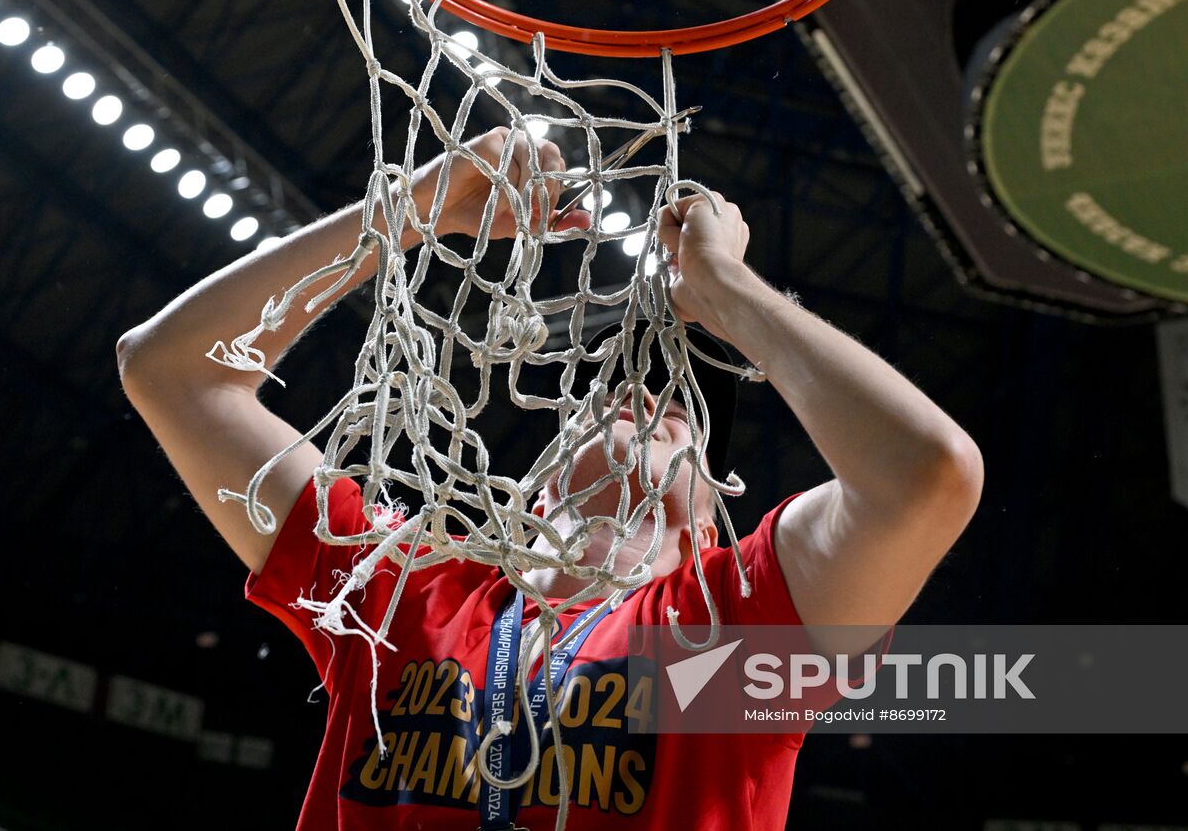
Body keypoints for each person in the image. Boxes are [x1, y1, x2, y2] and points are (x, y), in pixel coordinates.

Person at [117, 127, 983, 830]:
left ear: (715, 521)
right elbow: (171, 369)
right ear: (537, 491)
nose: (643, 394)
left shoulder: (730, 630)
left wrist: (725, 290)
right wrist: (414, 210)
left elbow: (925, 474)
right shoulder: (409, 594)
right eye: (607, 396)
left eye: (681, 410)